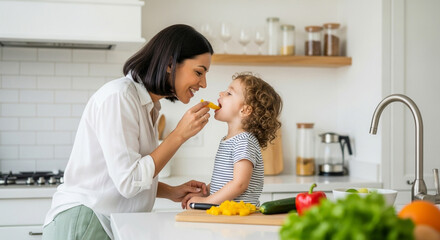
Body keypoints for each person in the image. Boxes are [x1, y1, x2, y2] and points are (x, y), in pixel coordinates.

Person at [42, 24, 214, 240]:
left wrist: (171, 192)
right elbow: (128, 182)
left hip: (102, 222)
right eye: (199, 72)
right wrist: (179, 135)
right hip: (85, 221)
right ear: (170, 63)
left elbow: (121, 176)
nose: (204, 83)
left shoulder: (148, 105)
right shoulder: (120, 97)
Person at [183, 72, 282, 208]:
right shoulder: (230, 140)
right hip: (228, 214)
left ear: (245, 110)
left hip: (239, 216)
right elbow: (226, 181)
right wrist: (205, 193)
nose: (221, 93)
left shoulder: (244, 141)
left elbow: (239, 184)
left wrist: (208, 202)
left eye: (229, 93)